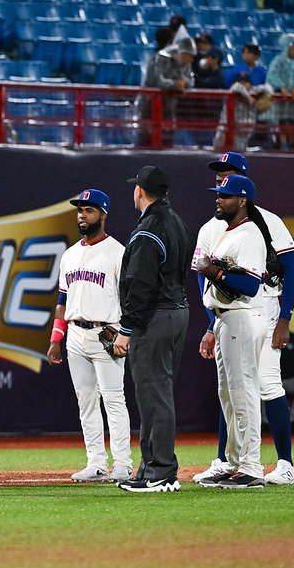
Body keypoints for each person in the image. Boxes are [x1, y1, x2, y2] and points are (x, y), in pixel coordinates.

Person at [192, 152, 294, 486]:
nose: (219, 180)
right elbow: (201, 275)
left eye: (226, 175)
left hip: (262, 306)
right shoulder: (213, 226)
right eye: (217, 175)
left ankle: (283, 463)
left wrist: (285, 318)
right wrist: (212, 323)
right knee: (230, 388)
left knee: (264, 383)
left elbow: (291, 270)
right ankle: (228, 460)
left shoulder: (265, 222)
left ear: (242, 183)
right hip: (227, 312)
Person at [47, 189, 132, 483]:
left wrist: (125, 332)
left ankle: (122, 463)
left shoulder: (118, 252)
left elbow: (130, 298)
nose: (83, 215)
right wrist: (55, 339)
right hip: (74, 334)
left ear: (103, 214)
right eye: (80, 210)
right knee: (85, 401)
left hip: (107, 333)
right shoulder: (70, 254)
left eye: (89, 210)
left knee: (113, 400)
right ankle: (96, 462)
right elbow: (62, 300)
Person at [113, 166, 190, 493]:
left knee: (153, 393)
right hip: (175, 311)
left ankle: (160, 471)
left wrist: (126, 329)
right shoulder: (175, 222)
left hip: (155, 317)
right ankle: (150, 469)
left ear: (140, 191)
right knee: (155, 392)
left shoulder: (149, 230)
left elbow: (141, 285)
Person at [193, 175, 267, 489]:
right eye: (218, 195)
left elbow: (250, 285)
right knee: (227, 394)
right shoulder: (228, 232)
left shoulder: (249, 234)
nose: (218, 200)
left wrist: (213, 270)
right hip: (224, 318)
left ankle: (251, 466)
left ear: (242, 201)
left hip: (241, 316)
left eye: (225, 196)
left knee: (243, 391)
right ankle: (235, 462)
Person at [137, 36, 196, 147]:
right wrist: (174, 84)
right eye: (190, 56)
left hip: (169, 108)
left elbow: (190, 82)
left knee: (167, 141)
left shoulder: (186, 64)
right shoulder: (159, 58)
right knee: (147, 141)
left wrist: (181, 83)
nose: (192, 60)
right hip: (150, 107)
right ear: (182, 53)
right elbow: (156, 81)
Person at [213, 73, 273, 151]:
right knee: (219, 152)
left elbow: (268, 87)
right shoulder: (233, 91)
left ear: (250, 84)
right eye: (241, 82)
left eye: (246, 83)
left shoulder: (253, 91)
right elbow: (237, 86)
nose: (244, 85)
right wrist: (248, 97)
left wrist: (269, 95)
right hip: (226, 130)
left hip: (242, 132)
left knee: (239, 153)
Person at [267, 33, 294, 150]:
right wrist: (282, 86)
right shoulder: (278, 60)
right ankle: (280, 144)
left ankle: (290, 145)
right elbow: (272, 76)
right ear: (289, 46)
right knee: (280, 124)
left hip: (290, 103)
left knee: (291, 124)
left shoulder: (292, 63)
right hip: (279, 102)